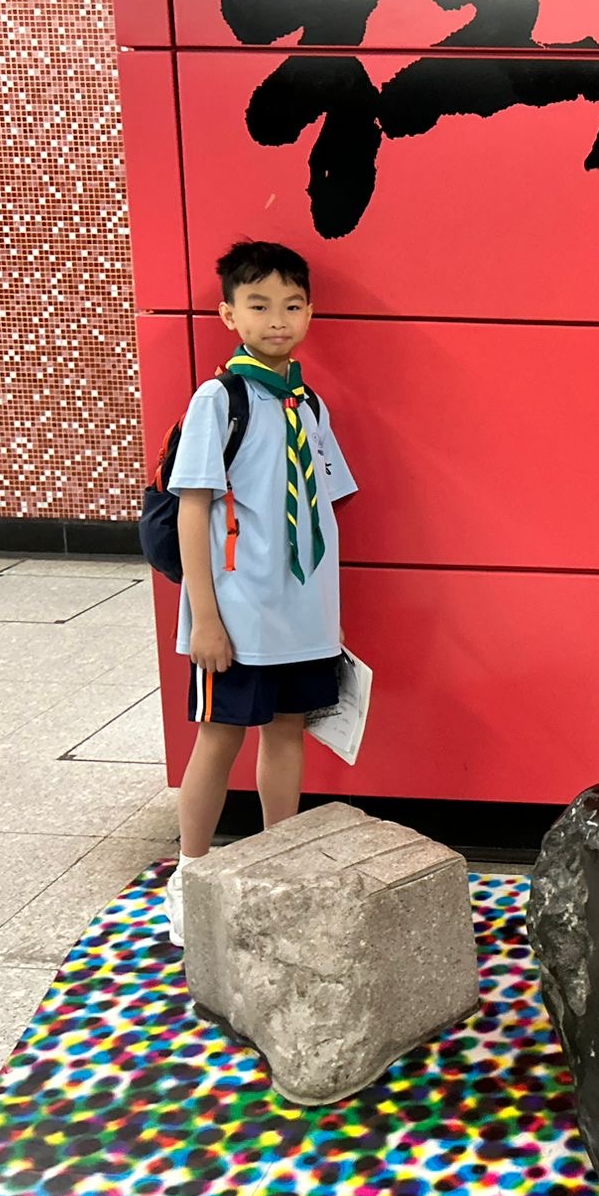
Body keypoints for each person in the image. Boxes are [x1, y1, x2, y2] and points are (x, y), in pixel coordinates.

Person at [162, 240, 359, 944]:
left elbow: (324, 506)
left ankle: (280, 864)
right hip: (238, 616)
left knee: (286, 735)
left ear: (310, 313)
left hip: (301, 618)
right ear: (229, 315)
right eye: (259, 305)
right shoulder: (221, 399)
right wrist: (205, 619)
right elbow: (192, 508)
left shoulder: (308, 404)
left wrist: (328, 618)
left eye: (292, 305)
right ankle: (190, 877)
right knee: (219, 739)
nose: (278, 319)